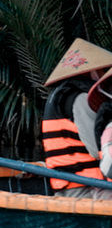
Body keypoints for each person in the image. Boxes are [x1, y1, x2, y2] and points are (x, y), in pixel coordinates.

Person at [41, 38, 112, 197]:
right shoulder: (80, 99)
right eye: (104, 70)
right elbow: (97, 150)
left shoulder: (59, 95)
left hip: (69, 184)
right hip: (83, 188)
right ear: (92, 71)